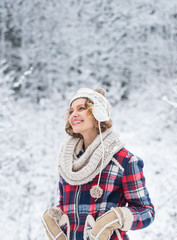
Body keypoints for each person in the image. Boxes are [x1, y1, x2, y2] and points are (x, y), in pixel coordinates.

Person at [42, 88, 155, 240]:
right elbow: (66, 205)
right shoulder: (67, 162)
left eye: (81, 108)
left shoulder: (124, 161)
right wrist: (54, 218)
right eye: (71, 111)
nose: (73, 114)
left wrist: (117, 217)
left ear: (98, 113)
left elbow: (146, 212)